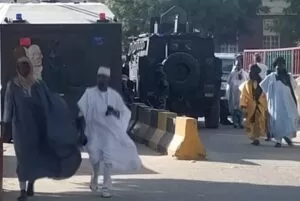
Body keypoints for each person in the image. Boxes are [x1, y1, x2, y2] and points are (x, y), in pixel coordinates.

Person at [2, 56, 83, 201]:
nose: (24, 70)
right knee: (23, 159)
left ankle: (31, 183)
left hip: (37, 128)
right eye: (21, 67)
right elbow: (8, 108)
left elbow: (50, 103)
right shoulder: (12, 86)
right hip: (20, 129)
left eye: (26, 67)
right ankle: (22, 191)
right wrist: (5, 128)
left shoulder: (39, 85)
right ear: (17, 69)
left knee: (36, 157)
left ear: (30, 68)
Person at [77, 66, 141, 198]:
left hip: (109, 133)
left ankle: (106, 187)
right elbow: (81, 114)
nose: (102, 79)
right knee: (95, 159)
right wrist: (82, 133)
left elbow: (124, 112)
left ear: (108, 79)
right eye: (100, 77)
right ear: (97, 78)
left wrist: (114, 111)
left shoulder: (114, 96)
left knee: (108, 160)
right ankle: (95, 176)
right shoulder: (89, 93)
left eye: (104, 77)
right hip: (93, 132)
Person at [260, 56, 298, 148]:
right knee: (277, 121)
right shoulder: (271, 77)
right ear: (275, 67)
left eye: (281, 64)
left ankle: (286, 136)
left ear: (284, 66)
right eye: (277, 65)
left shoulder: (288, 77)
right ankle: (278, 141)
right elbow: (262, 87)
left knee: (288, 120)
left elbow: (294, 87)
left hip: (288, 103)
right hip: (275, 104)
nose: (279, 66)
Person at [240, 64, 267, 146]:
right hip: (251, 107)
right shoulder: (247, 84)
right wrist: (243, 105)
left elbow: (264, 95)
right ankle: (255, 138)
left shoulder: (262, 83)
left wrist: (264, 106)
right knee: (251, 123)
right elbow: (243, 95)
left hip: (259, 106)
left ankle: (256, 138)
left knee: (258, 122)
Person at [228, 55, 248, 128]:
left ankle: (241, 122)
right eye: (236, 65)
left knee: (241, 109)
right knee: (234, 109)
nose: (237, 66)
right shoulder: (232, 74)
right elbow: (229, 83)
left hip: (241, 95)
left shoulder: (245, 74)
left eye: (239, 65)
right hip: (234, 94)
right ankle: (235, 122)